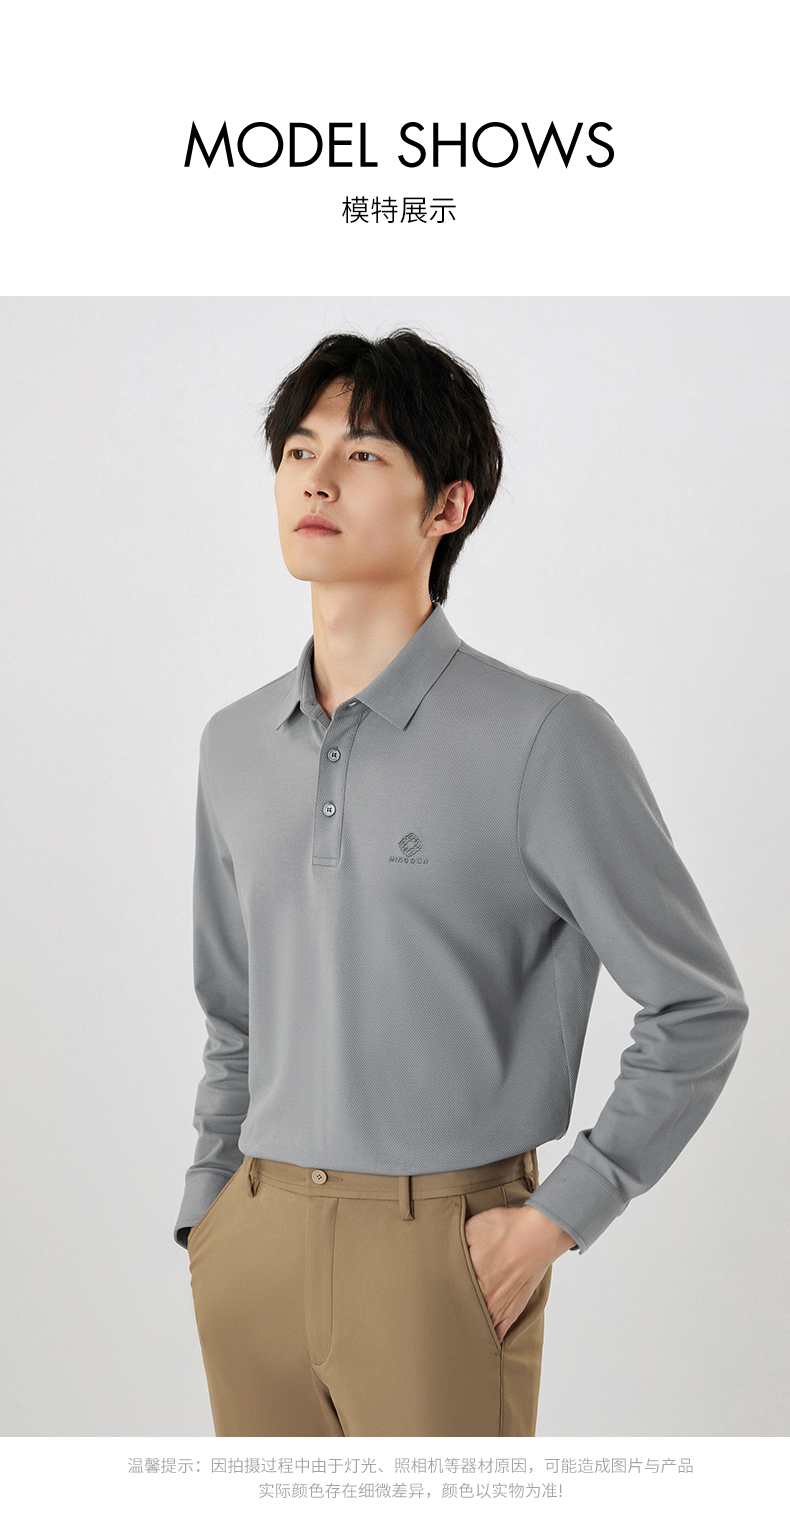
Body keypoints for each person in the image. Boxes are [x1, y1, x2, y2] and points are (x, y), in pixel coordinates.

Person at [175, 329, 747, 1437]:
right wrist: (210, 1216)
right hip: (254, 1244)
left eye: (363, 453)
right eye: (297, 451)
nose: (317, 479)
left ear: (448, 506)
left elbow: (697, 1005)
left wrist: (555, 1216)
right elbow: (233, 1012)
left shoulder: (545, 737)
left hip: (442, 1250)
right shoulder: (231, 745)